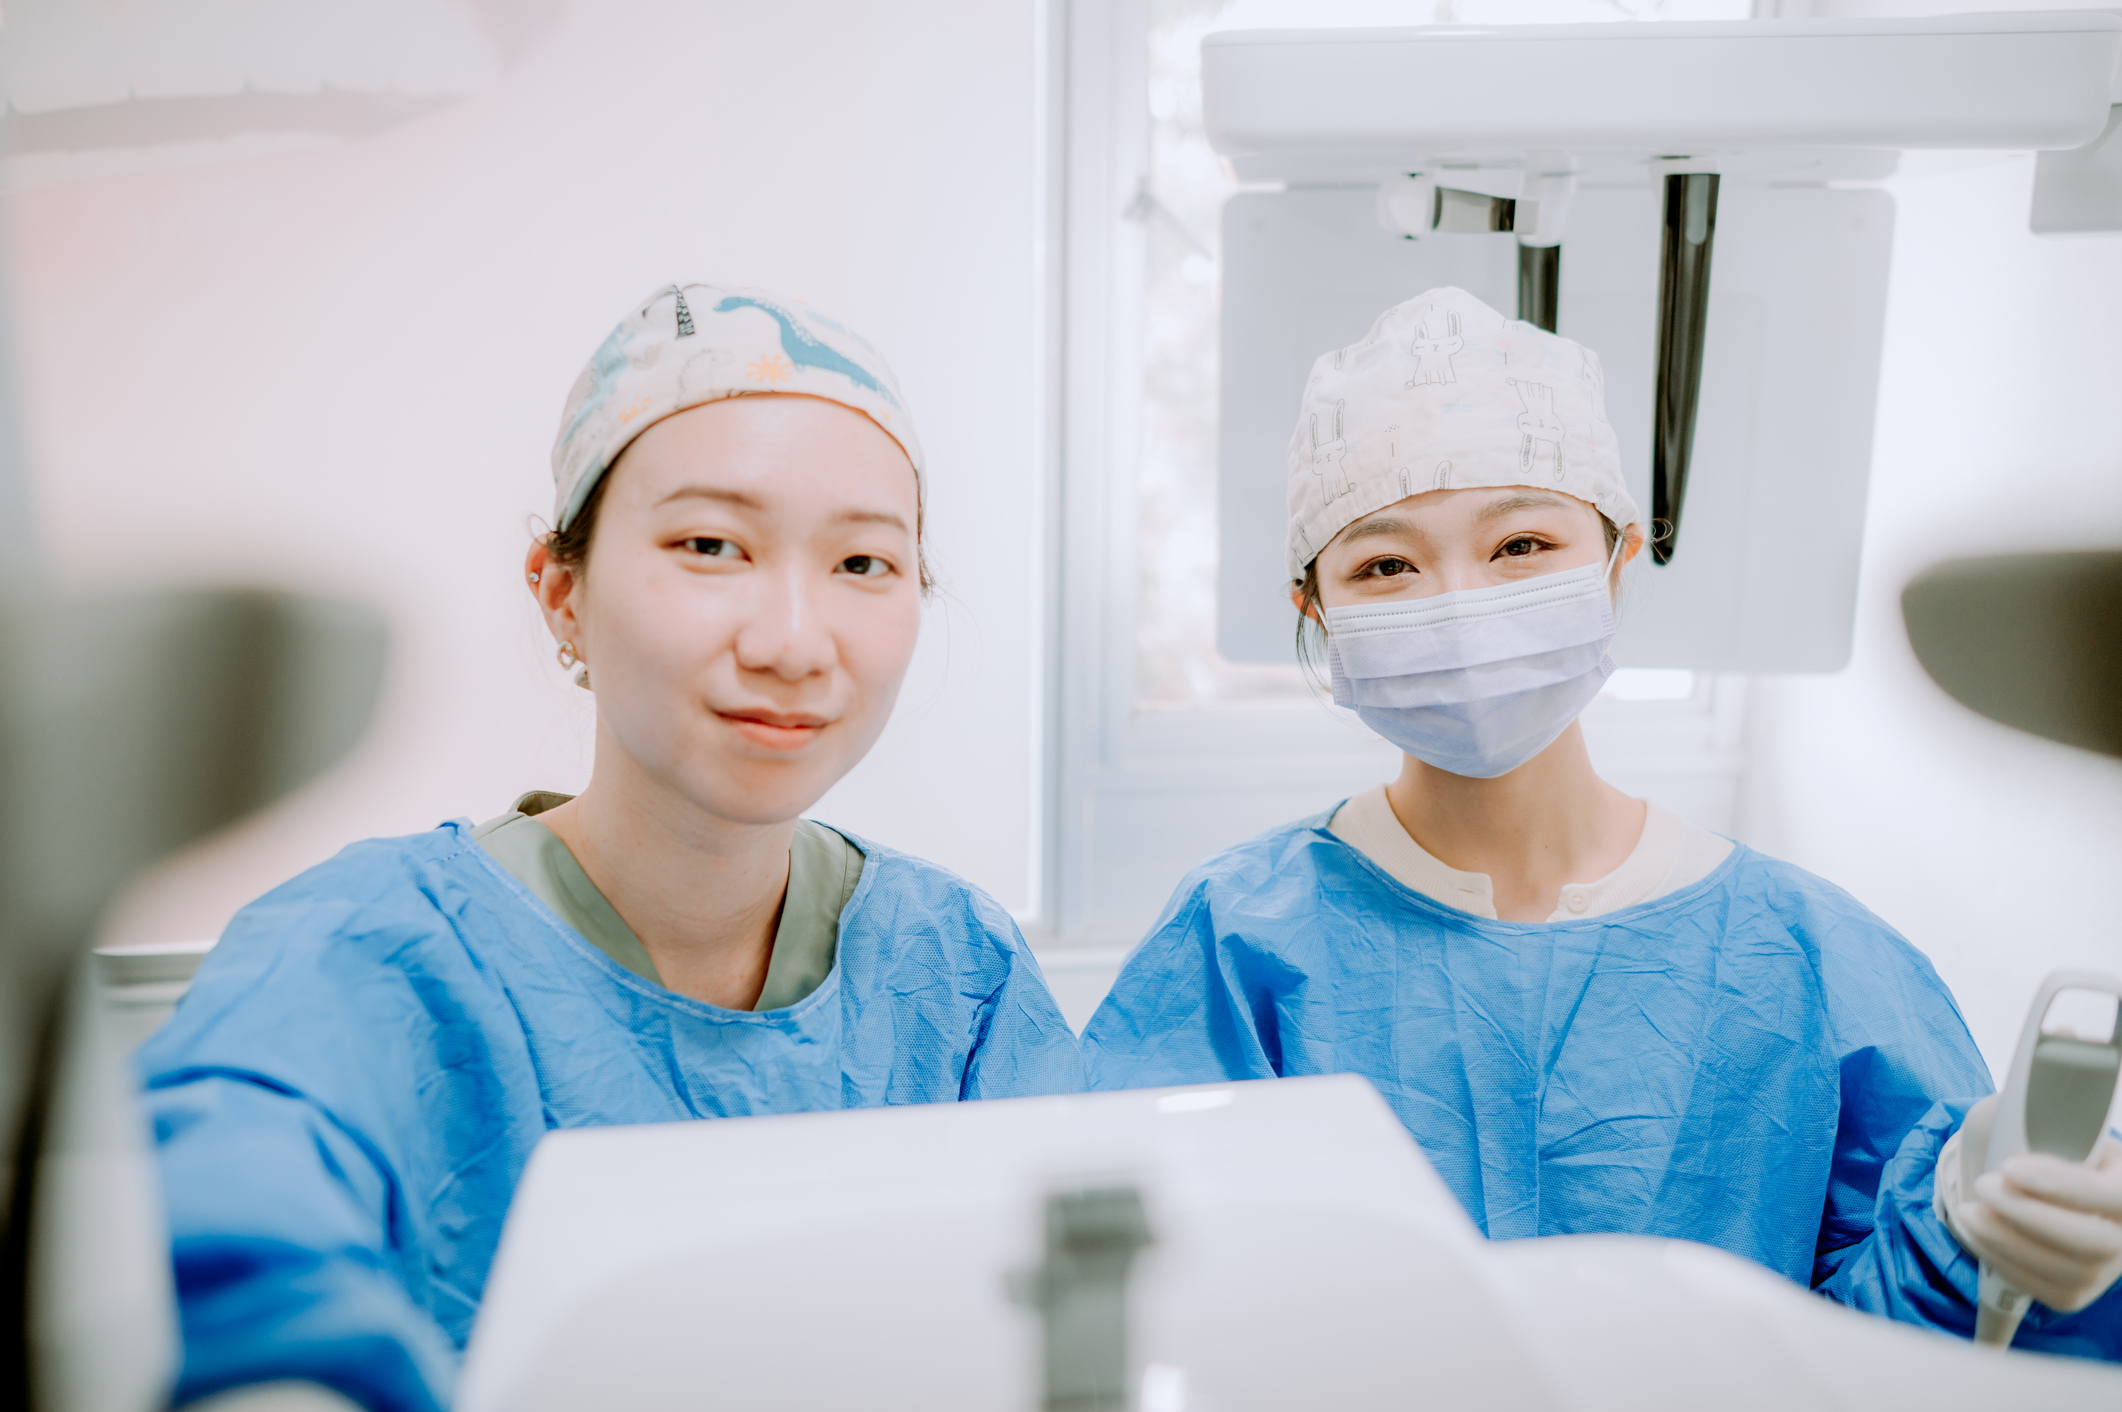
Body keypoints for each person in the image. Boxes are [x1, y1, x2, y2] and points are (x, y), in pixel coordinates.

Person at [1082, 287, 2122, 1357]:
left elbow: (1886, 1363)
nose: (1458, 600)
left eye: (1521, 543)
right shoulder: (1234, 945)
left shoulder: (1819, 961)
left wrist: (1970, 1219)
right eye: (1385, 564)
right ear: (1318, 611)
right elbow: (1134, 1316)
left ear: (1619, 558)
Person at [141, 282, 1084, 1412]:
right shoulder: (360, 955)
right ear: (562, 592)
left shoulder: (955, 969)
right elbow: (218, 1232)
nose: (793, 641)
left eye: (862, 564)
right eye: (710, 543)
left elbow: (1091, 1301)